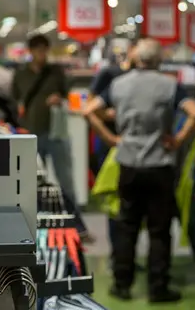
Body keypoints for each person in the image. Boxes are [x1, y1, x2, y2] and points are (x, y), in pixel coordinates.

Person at [83, 38, 195, 303]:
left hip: (128, 163)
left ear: (136, 59)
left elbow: (89, 111)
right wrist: (178, 140)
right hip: (160, 165)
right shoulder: (170, 85)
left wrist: (111, 139)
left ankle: (122, 284)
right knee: (159, 230)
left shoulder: (119, 85)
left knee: (127, 225)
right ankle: (158, 287)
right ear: (159, 60)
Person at [88, 42, 138, 270]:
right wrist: (110, 127)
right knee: (114, 203)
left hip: (135, 148)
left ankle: (127, 257)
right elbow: (90, 105)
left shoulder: (143, 79)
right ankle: (117, 257)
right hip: (112, 148)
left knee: (132, 204)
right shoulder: (110, 74)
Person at [11, 34, 75, 202]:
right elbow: (14, 99)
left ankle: (75, 219)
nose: (42, 54)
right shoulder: (21, 74)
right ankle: (38, 217)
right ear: (31, 51)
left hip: (55, 132)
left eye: (44, 50)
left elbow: (66, 94)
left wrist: (59, 99)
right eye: (38, 50)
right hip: (31, 132)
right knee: (33, 180)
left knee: (65, 179)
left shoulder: (55, 72)